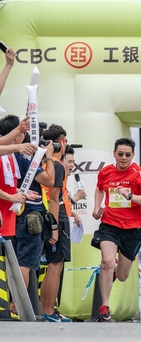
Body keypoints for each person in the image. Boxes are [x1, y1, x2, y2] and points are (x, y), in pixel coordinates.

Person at [91, 138, 141, 322]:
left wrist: (130, 195)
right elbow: (99, 189)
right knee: (107, 261)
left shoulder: (138, 173)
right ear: (114, 154)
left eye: (127, 155)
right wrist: (97, 207)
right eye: (120, 154)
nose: (124, 158)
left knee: (123, 275)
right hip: (109, 225)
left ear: (133, 155)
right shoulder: (106, 172)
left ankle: (112, 271)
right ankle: (104, 308)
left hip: (132, 229)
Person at [0, 115, 53, 303]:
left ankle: (13, 307)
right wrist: (50, 157)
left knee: (14, 264)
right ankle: (16, 306)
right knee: (23, 263)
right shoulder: (19, 156)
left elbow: (9, 186)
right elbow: (50, 181)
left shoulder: (11, 158)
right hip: (24, 216)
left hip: (12, 217)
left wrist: (20, 192)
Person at [39, 124, 74, 322]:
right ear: (62, 142)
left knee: (53, 265)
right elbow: (54, 198)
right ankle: (49, 311)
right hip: (56, 217)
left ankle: (46, 310)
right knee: (55, 266)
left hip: (47, 216)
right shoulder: (57, 165)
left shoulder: (43, 163)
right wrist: (54, 228)